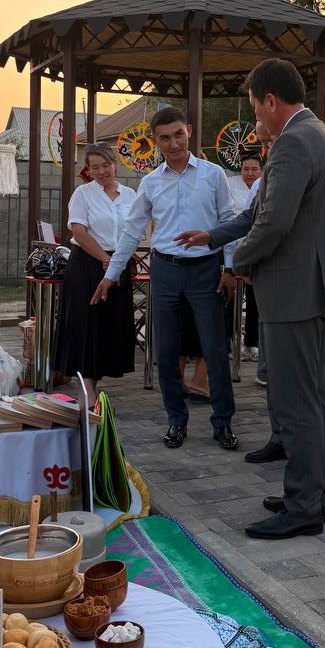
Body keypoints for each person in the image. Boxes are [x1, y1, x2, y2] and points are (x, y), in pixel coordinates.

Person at [218, 58, 325, 539]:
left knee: (296, 401)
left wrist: (237, 263)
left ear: (270, 100)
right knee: (316, 397)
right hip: (321, 288)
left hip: (295, 291)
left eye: (256, 107)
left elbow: (273, 222)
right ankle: (308, 492)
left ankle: (304, 507)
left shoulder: (293, 142)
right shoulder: (324, 136)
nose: (257, 117)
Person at [91, 107, 239, 452]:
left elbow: (228, 221)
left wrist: (230, 268)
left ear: (189, 132)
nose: (173, 143)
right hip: (166, 272)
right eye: (165, 138)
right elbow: (132, 230)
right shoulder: (151, 182)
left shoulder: (213, 175)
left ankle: (223, 422)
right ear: (155, 142)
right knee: (167, 351)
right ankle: (176, 420)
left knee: (215, 349)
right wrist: (111, 275)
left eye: (178, 135)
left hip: (206, 271)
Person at [176, 121, 280, 461]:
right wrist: (219, 246)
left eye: (269, 143)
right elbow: (245, 220)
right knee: (183, 332)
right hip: (197, 262)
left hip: (245, 266)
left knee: (221, 338)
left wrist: (233, 264)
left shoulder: (217, 176)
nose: (266, 150)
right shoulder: (158, 181)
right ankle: (181, 406)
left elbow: (254, 224)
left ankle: (227, 416)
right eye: (264, 144)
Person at [53, 143, 136, 405]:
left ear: (115, 165)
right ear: (88, 170)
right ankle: (86, 389)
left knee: (108, 325)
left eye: (105, 165)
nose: (101, 171)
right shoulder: (83, 193)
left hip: (118, 262)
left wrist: (116, 262)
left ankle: (95, 382)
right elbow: (78, 231)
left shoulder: (130, 195)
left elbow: (136, 230)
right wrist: (105, 259)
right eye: (94, 167)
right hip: (87, 264)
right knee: (86, 324)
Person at [240, 152, 264, 359]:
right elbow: (246, 220)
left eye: (254, 169)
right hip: (243, 249)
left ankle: (255, 342)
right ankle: (244, 340)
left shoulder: (263, 184)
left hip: (261, 250)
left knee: (258, 301)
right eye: (246, 169)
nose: (250, 173)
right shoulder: (232, 187)